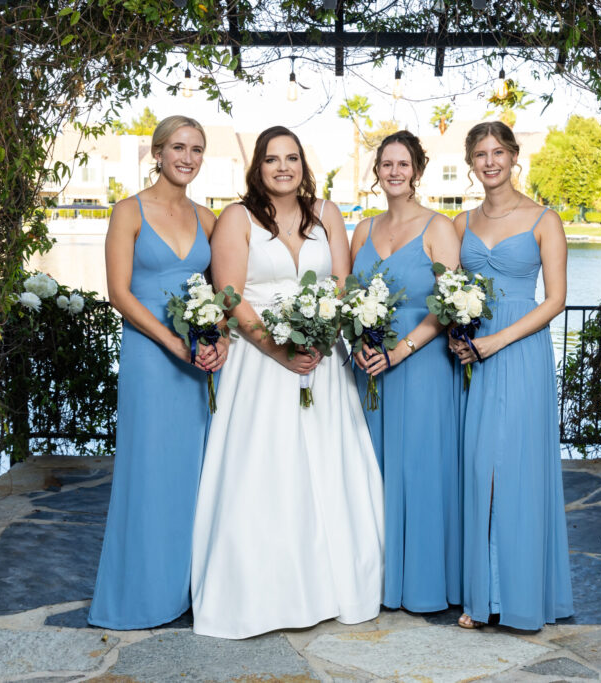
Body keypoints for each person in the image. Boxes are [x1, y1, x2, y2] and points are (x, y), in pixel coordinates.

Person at [191, 126, 384, 640]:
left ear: (303, 165)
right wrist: (279, 351)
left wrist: (323, 339)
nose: (283, 167)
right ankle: (262, 592)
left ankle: (331, 586)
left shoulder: (328, 215)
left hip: (323, 358)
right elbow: (230, 294)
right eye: (272, 159)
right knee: (265, 466)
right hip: (261, 362)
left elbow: (341, 284)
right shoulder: (238, 218)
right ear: (257, 167)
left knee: (326, 464)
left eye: (292, 158)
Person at [88, 116, 227, 629]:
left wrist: (221, 339)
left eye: (195, 149)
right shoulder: (128, 212)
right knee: (148, 472)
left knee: (195, 472)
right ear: (157, 152)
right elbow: (119, 293)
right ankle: (142, 594)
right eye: (177, 148)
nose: (186, 158)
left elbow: (225, 293)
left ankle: (189, 589)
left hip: (198, 362)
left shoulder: (209, 219)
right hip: (152, 357)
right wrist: (172, 342)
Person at [451, 121, 573, 630]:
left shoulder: (545, 220)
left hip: (519, 354)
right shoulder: (458, 224)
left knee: (517, 471)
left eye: (498, 151)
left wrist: (496, 342)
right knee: (481, 471)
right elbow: (447, 289)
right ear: (471, 162)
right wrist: (458, 336)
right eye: (480, 154)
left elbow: (556, 299)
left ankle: (519, 597)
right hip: (470, 357)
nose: (490, 162)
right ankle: (483, 596)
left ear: (514, 156)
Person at [350, 130, 462, 613]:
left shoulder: (438, 228)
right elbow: (347, 297)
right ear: (376, 171)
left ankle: (420, 583)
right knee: (370, 471)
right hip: (368, 368)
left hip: (420, 368)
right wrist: (357, 342)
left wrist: (400, 352)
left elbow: (449, 306)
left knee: (419, 469)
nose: (394, 172)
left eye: (403, 164)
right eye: (386, 164)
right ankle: (373, 582)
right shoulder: (361, 229)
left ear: (416, 170)